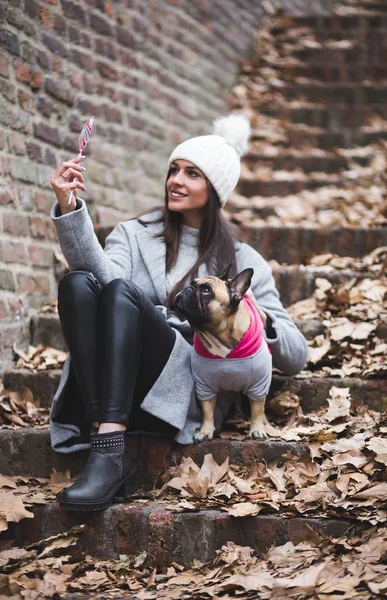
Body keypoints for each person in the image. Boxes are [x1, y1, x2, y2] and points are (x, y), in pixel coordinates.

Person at [49, 113, 308, 511]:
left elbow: (295, 354)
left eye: (192, 174)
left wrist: (248, 317)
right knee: (77, 283)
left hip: (179, 391)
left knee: (121, 292)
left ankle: (107, 451)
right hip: (111, 385)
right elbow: (100, 285)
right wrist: (70, 209)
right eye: (174, 170)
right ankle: (108, 446)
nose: (176, 180)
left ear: (215, 188)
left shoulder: (240, 259)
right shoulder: (134, 234)